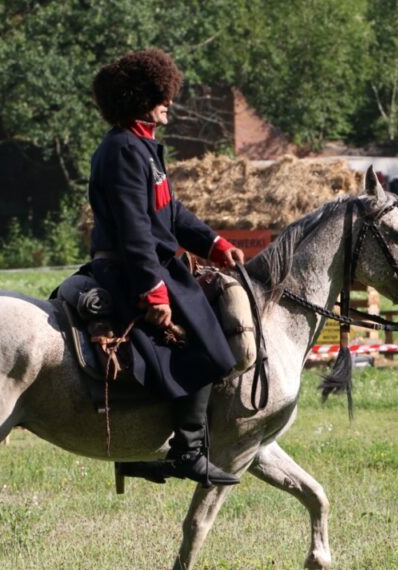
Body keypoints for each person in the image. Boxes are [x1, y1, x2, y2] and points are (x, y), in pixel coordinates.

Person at [88, 48, 244, 487]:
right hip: (131, 269)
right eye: (160, 94)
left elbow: (171, 214)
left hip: (153, 263)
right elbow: (135, 228)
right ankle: (188, 452)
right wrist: (153, 290)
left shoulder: (143, 148)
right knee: (213, 347)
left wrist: (215, 244)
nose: (168, 101)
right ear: (139, 96)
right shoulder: (122, 150)